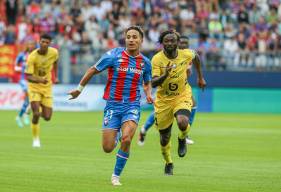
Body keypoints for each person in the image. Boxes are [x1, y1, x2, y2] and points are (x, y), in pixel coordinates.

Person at [68, 26, 153, 186]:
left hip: (132, 105)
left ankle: (116, 176)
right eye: (128, 37)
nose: (131, 40)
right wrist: (79, 90)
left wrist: (148, 94)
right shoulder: (114, 55)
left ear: (141, 40)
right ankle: (116, 137)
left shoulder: (145, 62)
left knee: (127, 139)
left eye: (135, 37)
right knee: (107, 148)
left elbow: (147, 81)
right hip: (113, 106)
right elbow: (93, 69)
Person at [151, 30, 206, 175]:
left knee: (182, 121)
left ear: (177, 42)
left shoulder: (186, 54)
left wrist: (200, 78)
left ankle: (182, 138)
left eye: (172, 41)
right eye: (166, 41)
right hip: (163, 101)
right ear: (162, 43)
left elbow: (197, 57)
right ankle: (168, 163)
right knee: (164, 138)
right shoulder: (157, 59)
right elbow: (153, 83)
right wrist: (165, 75)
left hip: (182, 95)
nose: (169, 43)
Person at [138, 35, 198, 146]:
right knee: (159, 112)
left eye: (186, 43)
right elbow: (154, 81)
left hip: (179, 89)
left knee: (192, 104)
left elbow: (190, 68)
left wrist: (199, 76)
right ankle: (144, 129)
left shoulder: (186, 55)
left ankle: (184, 134)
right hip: (164, 88)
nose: (184, 45)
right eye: (183, 43)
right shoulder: (162, 57)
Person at [25, 34, 59, 148]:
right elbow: (28, 76)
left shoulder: (54, 52)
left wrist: (56, 76)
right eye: (42, 42)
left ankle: (31, 106)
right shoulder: (32, 57)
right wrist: (40, 80)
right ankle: (35, 139)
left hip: (47, 86)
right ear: (39, 42)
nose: (44, 44)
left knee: (47, 117)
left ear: (50, 44)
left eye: (47, 42)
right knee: (36, 113)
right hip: (34, 86)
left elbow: (55, 62)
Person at [14, 40, 36, 128]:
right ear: (27, 45)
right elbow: (15, 66)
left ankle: (20, 116)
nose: (31, 46)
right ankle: (25, 115)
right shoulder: (21, 55)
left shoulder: (35, 55)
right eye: (29, 44)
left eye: (32, 44)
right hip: (23, 80)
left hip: (32, 80)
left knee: (28, 100)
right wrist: (21, 68)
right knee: (29, 94)